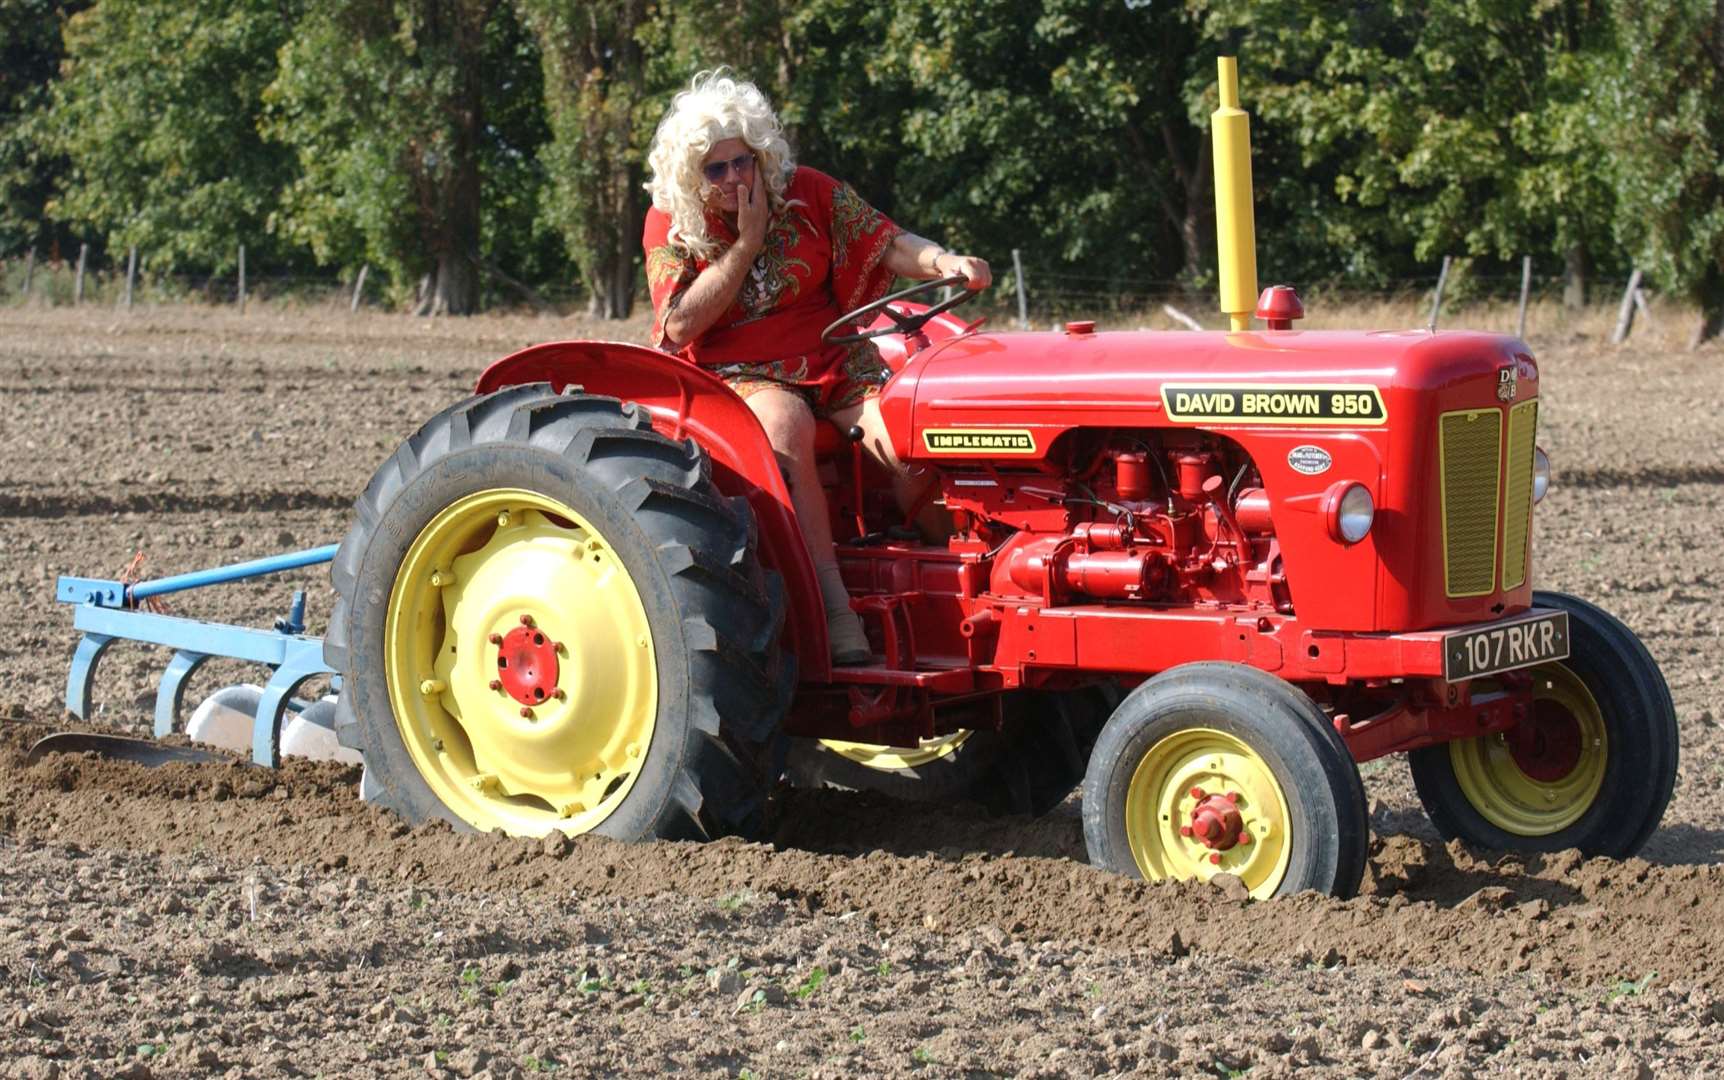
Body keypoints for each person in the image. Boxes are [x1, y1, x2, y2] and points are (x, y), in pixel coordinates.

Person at [642, 69, 991, 665]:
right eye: (716, 169)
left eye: (742, 162)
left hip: (835, 359)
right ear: (691, 175)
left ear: (760, 155)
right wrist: (745, 243)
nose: (733, 178)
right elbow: (679, 325)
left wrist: (942, 260)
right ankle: (830, 609)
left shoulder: (807, 192)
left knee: (909, 430)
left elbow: (884, 241)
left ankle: (973, 581)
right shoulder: (672, 224)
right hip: (738, 374)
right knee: (785, 427)